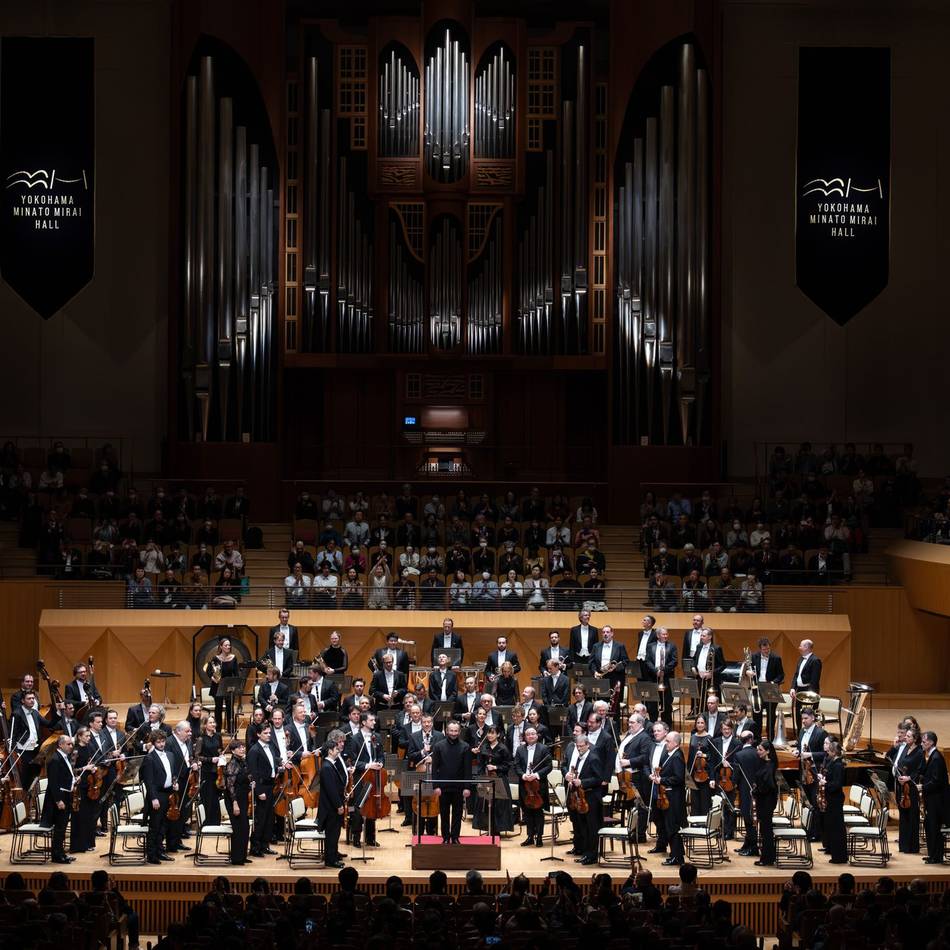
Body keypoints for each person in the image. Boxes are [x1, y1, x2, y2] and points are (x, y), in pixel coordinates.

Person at [345, 712, 384, 849]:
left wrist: (380, 763)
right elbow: (353, 761)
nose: (374, 722)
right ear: (363, 722)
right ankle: (356, 836)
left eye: (374, 720)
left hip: (374, 777)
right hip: (360, 777)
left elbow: (381, 756)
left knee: (372, 804)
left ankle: (370, 837)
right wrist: (368, 765)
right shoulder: (354, 739)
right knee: (359, 807)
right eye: (371, 720)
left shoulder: (377, 737)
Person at [430, 719, 472, 844]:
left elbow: (467, 769)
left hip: (459, 787)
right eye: (451, 731)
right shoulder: (438, 746)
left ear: (459, 732)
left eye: (456, 731)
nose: (453, 733)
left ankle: (455, 837)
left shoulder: (465, 747)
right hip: (443, 787)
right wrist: (435, 786)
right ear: (447, 731)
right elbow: (435, 768)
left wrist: (467, 787)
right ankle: (445, 837)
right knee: (444, 813)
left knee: (457, 814)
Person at [564, 733, 603, 865]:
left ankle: (592, 855)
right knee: (583, 827)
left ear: (587, 745)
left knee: (592, 827)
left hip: (591, 798)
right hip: (581, 798)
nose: (579, 748)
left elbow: (598, 779)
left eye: (581, 746)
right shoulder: (579, 758)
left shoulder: (594, 758)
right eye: (577, 746)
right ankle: (586, 853)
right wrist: (571, 780)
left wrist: (582, 782)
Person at [141, 730, 175, 865]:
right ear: (154, 743)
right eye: (158, 742)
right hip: (157, 796)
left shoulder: (170, 755)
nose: (161, 744)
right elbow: (148, 781)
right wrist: (153, 798)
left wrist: (174, 783)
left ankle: (160, 851)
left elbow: (170, 774)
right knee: (155, 826)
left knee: (164, 825)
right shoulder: (149, 758)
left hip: (168, 793)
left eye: (163, 741)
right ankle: (151, 854)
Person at [39, 734, 74, 864]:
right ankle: (57, 856)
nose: (71, 746)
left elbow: (64, 776)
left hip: (66, 795)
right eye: (68, 744)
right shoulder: (54, 759)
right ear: (60, 745)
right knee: (59, 828)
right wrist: (58, 800)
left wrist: (74, 780)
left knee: (63, 827)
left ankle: (61, 853)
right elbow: (53, 782)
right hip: (59, 798)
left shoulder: (63, 757)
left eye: (71, 744)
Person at [653, 730, 686, 866]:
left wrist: (661, 780)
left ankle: (677, 857)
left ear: (675, 743)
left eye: (668, 741)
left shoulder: (677, 756)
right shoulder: (669, 754)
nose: (665, 743)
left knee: (673, 827)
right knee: (669, 827)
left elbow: (678, 778)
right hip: (668, 796)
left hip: (674, 798)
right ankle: (675, 855)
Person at [474, 725, 513, 837]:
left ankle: (497, 831)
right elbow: (480, 764)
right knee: (486, 804)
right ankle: (488, 828)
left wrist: (496, 767)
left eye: (493, 733)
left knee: (498, 806)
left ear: (498, 735)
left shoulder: (503, 748)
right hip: (486, 779)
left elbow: (507, 765)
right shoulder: (484, 747)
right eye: (489, 733)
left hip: (499, 779)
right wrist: (480, 779)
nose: (490, 735)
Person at [515, 725, 551, 847]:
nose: (530, 736)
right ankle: (530, 836)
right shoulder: (520, 749)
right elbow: (517, 766)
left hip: (538, 785)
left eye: (533, 734)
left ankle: (539, 837)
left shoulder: (544, 748)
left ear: (537, 735)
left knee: (538, 812)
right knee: (527, 811)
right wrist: (523, 775)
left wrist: (536, 775)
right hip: (525, 785)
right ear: (525, 737)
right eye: (528, 734)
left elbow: (548, 766)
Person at [919, 730, 949, 864]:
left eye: (924, 742)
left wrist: (923, 787)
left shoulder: (936, 758)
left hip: (937, 802)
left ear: (931, 743)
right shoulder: (932, 756)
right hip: (932, 800)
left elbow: (936, 781)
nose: (922, 744)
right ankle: (932, 854)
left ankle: (936, 857)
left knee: (935, 829)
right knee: (929, 827)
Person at [893, 726, 924, 854]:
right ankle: (904, 845)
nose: (906, 737)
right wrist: (900, 775)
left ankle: (912, 846)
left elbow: (920, 771)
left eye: (909, 736)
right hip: (902, 786)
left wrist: (909, 778)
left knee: (912, 816)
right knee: (904, 815)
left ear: (915, 739)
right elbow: (900, 762)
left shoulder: (920, 751)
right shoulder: (905, 747)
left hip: (911, 787)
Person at [817, 736, 848, 863]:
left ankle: (839, 857)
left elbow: (837, 784)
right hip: (831, 799)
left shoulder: (838, 765)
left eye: (829, 752)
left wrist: (825, 782)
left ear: (834, 753)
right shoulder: (832, 762)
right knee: (832, 827)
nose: (827, 754)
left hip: (835, 800)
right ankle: (835, 854)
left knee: (837, 829)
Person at [749, 637, 785, 740]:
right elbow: (748, 668)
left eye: (768, 649)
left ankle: (770, 738)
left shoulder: (776, 658)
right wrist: (748, 672)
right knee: (756, 714)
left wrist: (774, 682)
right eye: (764, 649)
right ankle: (757, 737)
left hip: (770, 688)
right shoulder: (754, 656)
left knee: (771, 715)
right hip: (757, 688)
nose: (766, 651)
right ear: (760, 649)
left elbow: (781, 675)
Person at [224, 739, 252, 865]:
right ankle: (236, 858)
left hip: (243, 798)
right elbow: (230, 786)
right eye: (239, 748)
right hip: (234, 799)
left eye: (243, 747)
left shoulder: (242, 762)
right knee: (238, 828)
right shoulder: (232, 764)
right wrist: (234, 803)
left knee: (245, 827)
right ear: (233, 750)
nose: (242, 749)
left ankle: (243, 855)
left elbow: (246, 777)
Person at [733, 730, 760, 857]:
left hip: (745, 791)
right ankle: (748, 844)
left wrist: (733, 782)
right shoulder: (758, 753)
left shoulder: (739, 755)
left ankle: (753, 847)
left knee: (748, 819)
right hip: (758, 790)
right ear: (751, 739)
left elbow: (736, 776)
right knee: (752, 819)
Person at [754, 739, 779, 866]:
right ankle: (767, 857)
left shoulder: (770, 765)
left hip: (766, 802)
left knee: (766, 830)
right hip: (764, 800)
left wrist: (757, 790)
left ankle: (767, 858)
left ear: (767, 751)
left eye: (760, 750)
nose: (758, 752)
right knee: (764, 830)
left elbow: (769, 786)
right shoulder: (765, 763)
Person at [205, 637, 239, 733]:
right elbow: (209, 671)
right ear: (221, 647)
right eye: (226, 645)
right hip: (218, 686)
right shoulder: (215, 658)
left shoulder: (233, 658)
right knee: (218, 708)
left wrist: (235, 685)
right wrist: (213, 678)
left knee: (230, 708)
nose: (228, 647)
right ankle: (218, 730)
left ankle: (231, 730)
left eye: (229, 645)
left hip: (229, 687)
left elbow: (236, 673)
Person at [644, 627, 676, 724]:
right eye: (663, 634)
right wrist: (655, 671)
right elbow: (647, 661)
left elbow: (674, 661)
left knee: (666, 704)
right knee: (652, 704)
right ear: (658, 635)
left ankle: (667, 726)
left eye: (667, 634)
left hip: (666, 678)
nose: (666, 636)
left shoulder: (672, 646)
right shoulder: (650, 646)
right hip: (653, 677)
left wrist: (663, 670)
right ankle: (653, 726)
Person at [194, 715, 223, 826]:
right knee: (209, 797)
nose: (213, 724)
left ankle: (216, 822)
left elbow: (219, 749)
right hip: (207, 771)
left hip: (217, 772)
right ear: (205, 725)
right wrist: (211, 759)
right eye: (210, 723)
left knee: (216, 797)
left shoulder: (218, 736)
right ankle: (208, 822)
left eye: (214, 722)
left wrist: (221, 756)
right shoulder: (201, 739)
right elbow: (197, 756)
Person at [789, 639, 822, 732]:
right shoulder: (801, 658)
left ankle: (810, 736)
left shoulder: (815, 660)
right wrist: (793, 688)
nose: (799, 648)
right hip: (799, 690)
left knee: (810, 716)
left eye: (801, 646)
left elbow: (815, 679)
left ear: (807, 647)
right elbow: (796, 675)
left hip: (810, 692)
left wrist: (809, 695)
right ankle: (799, 735)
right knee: (798, 713)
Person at [589, 624, 629, 693]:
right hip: (601, 677)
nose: (605, 634)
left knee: (615, 702)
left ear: (612, 634)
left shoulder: (620, 646)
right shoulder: (596, 646)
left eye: (607, 632)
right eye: (603, 632)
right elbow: (591, 662)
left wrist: (615, 667)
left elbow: (626, 661)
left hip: (615, 677)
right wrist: (595, 672)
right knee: (601, 700)